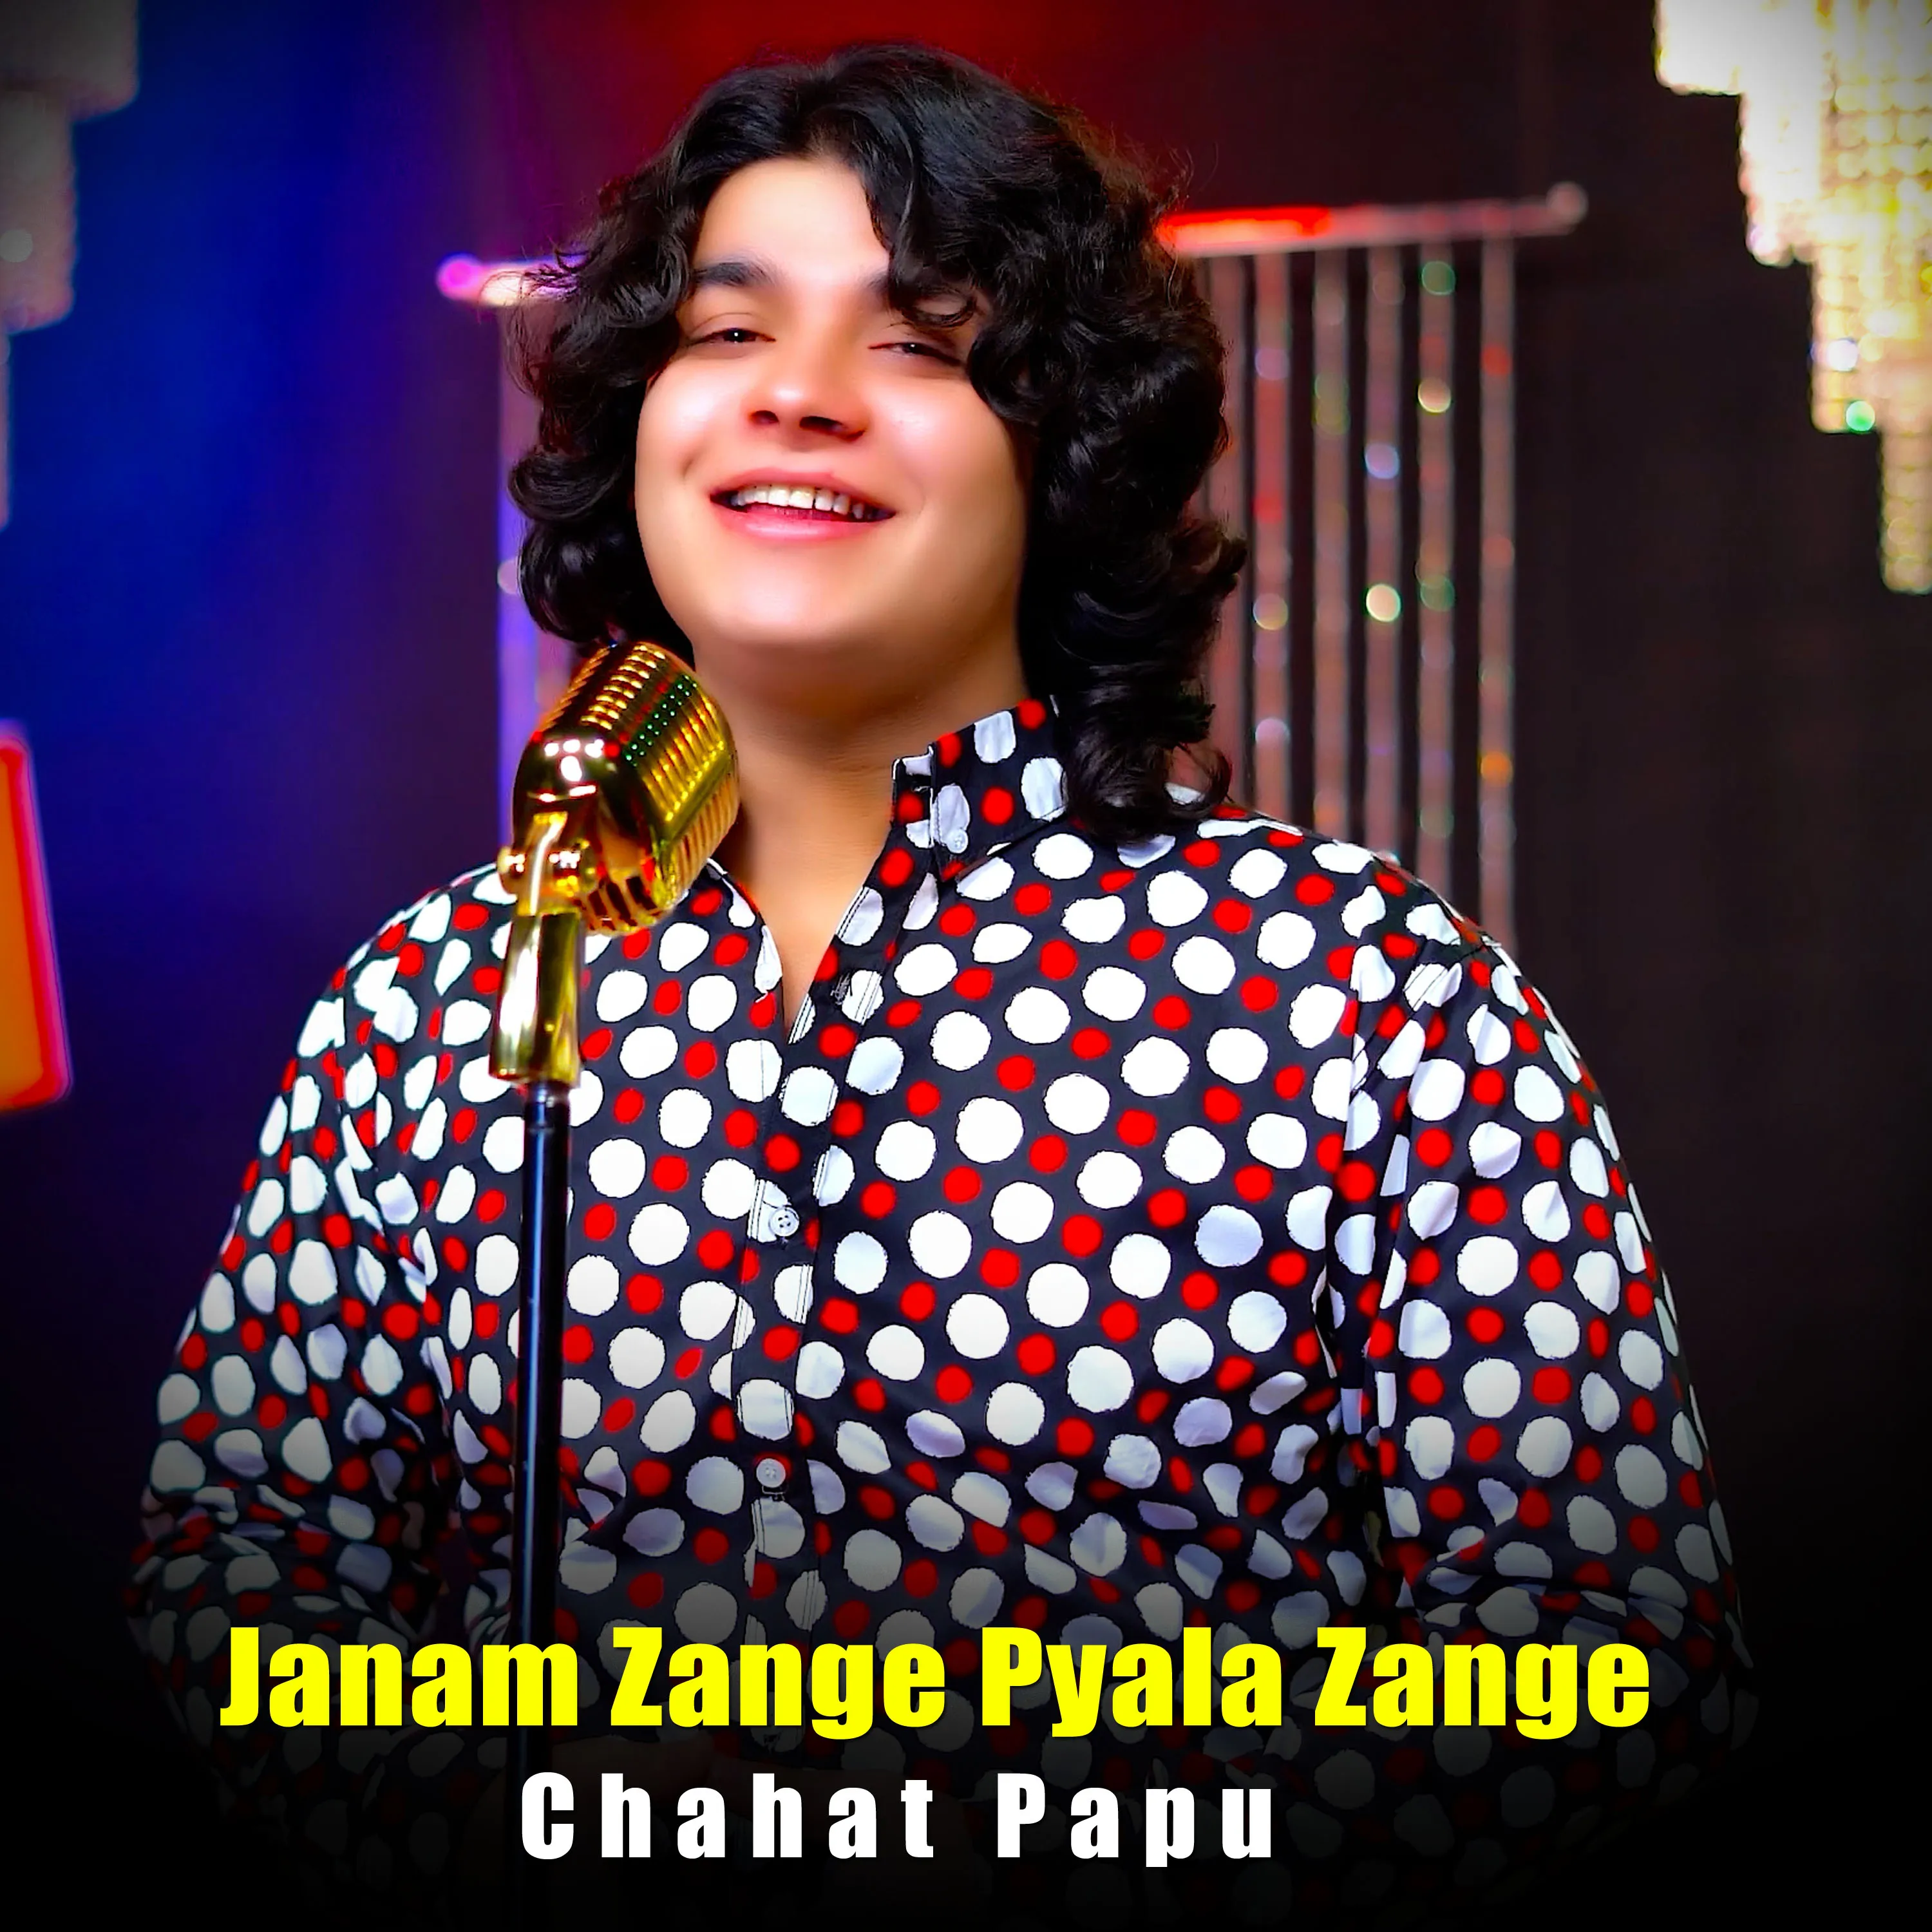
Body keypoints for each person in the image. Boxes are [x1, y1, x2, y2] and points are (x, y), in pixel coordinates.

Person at [128, 40, 1752, 1927]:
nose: (801, 394)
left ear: (1064, 452)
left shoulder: (1370, 994)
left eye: (917, 343)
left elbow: (1612, 1651)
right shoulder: (431, 998)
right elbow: (236, 1562)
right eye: (729, 332)